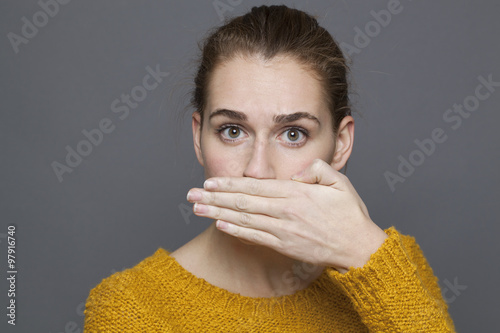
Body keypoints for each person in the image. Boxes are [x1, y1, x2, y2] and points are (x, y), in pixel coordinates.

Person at [83, 5, 456, 332]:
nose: (257, 170)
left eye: (293, 134)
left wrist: (366, 255)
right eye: (232, 131)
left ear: (340, 144)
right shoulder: (130, 307)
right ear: (199, 138)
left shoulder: (391, 266)